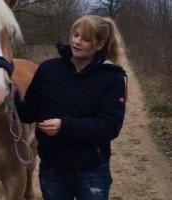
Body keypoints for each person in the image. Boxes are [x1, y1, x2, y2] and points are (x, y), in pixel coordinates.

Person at [15, 14, 129, 200]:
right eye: (75, 35)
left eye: (85, 39)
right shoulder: (48, 69)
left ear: (99, 45)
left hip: (92, 171)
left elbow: (110, 126)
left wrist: (64, 126)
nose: (77, 42)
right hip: (53, 170)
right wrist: (9, 98)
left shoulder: (112, 78)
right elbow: (29, 112)